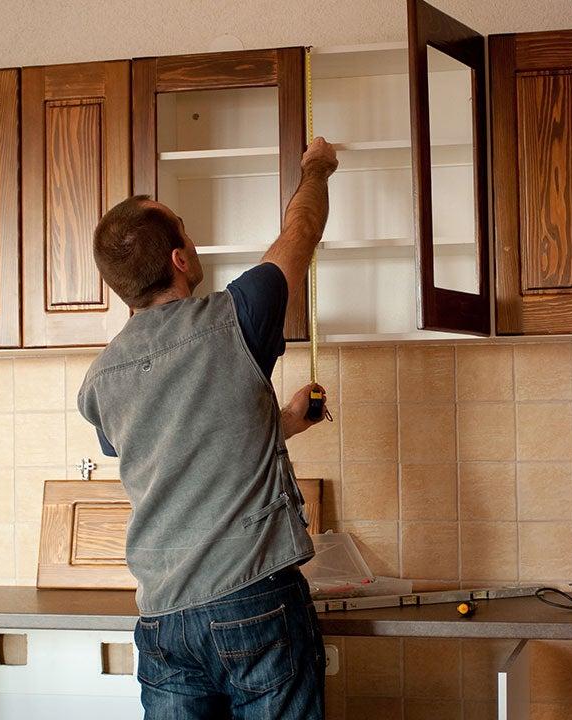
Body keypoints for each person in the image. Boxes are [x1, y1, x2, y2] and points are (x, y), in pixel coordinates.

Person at [78, 137, 340, 719]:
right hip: (254, 601)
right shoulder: (236, 317)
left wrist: (285, 424)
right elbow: (300, 234)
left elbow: (180, 446)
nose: (193, 242)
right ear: (179, 260)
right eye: (185, 233)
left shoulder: (99, 383)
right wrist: (317, 168)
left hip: (164, 622)